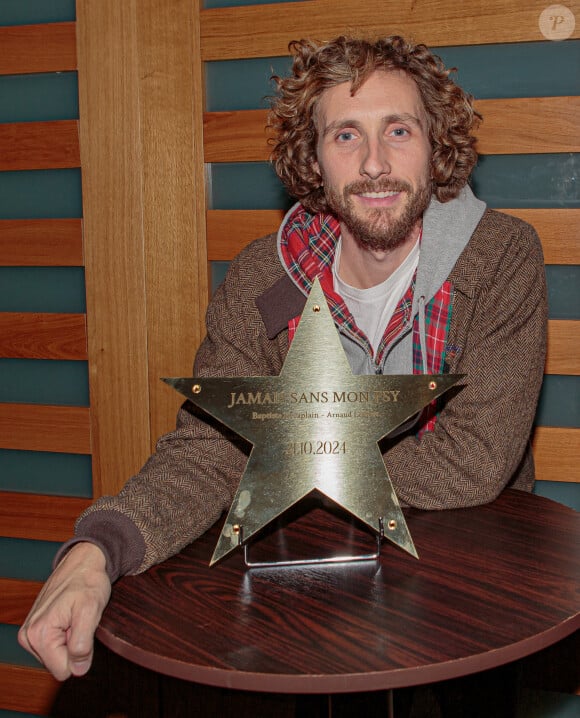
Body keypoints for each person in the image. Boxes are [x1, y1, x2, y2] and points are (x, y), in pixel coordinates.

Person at [19, 35, 547, 687]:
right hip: (313, 585)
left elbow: (475, 460)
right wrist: (98, 549)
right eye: (346, 136)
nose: (376, 163)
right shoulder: (258, 279)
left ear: (436, 145)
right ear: (313, 159)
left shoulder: (500, 257)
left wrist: (279, 456)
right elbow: (208, 449)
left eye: (399, 130)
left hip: (474, 577)